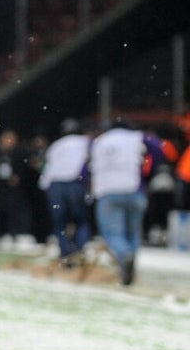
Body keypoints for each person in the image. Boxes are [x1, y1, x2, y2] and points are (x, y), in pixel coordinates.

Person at [89, 120, 164, 286]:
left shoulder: (100, 141)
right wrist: (148, 173)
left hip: (107, 191)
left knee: (113, 234)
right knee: (132, 233)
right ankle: (129, 268)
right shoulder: (138, 137)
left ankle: (124, 257)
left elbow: (89, 166)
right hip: (134, 189)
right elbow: (159, 150)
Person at [37, 119, 93, 265]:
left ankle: (65, 254)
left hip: (56, 185)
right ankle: (78, 253)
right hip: (76, 183)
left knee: (60, 223)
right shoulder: (86, 142)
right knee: (81, 221)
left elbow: (46, 172)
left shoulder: (56, 145)